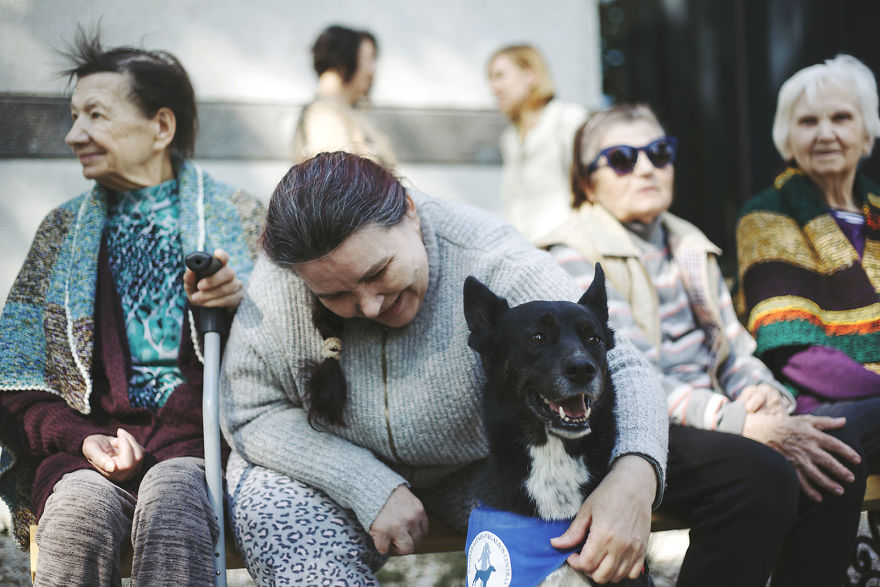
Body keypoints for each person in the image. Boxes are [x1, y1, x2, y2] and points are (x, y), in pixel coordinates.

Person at [220, 151, 669, 585]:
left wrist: (634, 477)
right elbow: (249, 409)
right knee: (278, 519)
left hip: (471, 472)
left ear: (410, 213)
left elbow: (623, 366)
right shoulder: (283, 276)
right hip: (323, 471)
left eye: (378, 272)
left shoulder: (492, 258)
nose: (370, 305)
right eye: (336, 296)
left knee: (571, 540)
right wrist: (363, 481)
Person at [537, 103, 866, 586]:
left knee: (834, 452)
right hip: (631, 432)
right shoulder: (573, 254)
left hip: (710, 417)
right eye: (623, 158)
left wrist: (762, 394)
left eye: (659, 152)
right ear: (586, 182)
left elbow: (735, 349)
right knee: (758, 476)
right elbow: (624, 380)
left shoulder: (688, 242)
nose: (647, 167)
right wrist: (741, 423)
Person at [0, 31, 264, 586]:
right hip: (85, 453)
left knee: (174, 506)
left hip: (199, 451)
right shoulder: (61, 234)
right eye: (74, 117)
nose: (75, 135)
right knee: (75, 516)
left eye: (95, 115)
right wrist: (81, 439)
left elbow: (297, 358)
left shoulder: (241, 223)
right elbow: (15, 382)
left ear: (160, 127)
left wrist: (245, 306)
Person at [736, 49, 880, 520]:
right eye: (808, 121)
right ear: (787, 138)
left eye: (841, 117)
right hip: (823, 409)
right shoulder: (766, 216)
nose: (825, 133)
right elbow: (797, 356)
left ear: (866, 133)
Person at [487, 44, 587, 241]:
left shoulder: (568, 120)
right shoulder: (509, 139)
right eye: (490, 79)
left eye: (499, 76)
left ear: (530, 75)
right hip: (525, 253)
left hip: (567, 252)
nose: (493, 88)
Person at [292, 24, 397, 168]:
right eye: (368, 59)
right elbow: (342, 178)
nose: (372, 72)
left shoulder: (341, 112)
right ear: (347, 60)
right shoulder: (323, 115)